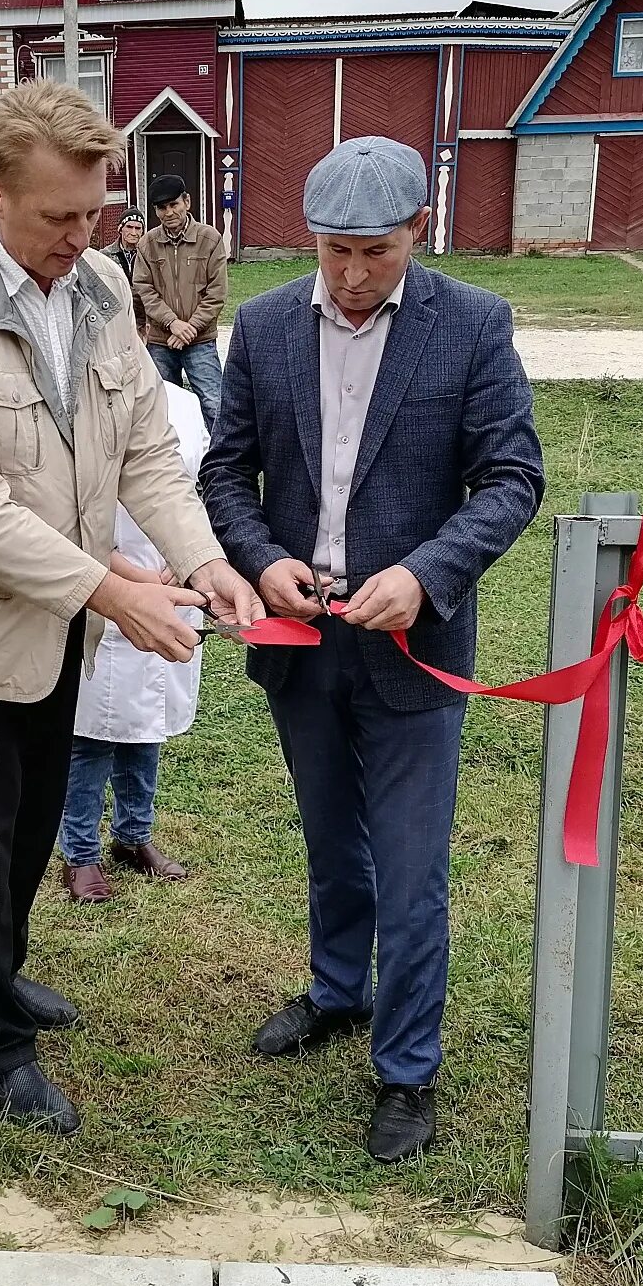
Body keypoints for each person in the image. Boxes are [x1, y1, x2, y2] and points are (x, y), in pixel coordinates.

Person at [0, 78, 263, 1135]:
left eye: (94, 213)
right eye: (58, 217)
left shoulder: (97, 285)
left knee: (30, 826)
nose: (81, 237)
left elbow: (146, 450)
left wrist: (204, 560)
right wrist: (112, 589)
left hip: (65, 627)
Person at [200, 136, 544, 1164]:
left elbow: (511, 478)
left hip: (412, 648)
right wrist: (262, 558)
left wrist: (426, 575)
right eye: (333, 252)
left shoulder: (471, 324)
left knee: (410, 867)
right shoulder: (265, 326)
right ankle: (338, 989)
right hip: (301, 644)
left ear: (417, 230)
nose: (351, 277)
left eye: (375, 253)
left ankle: (406, 1069)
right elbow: (226, 473)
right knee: (329, 838)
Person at [56, 378, 206, 903]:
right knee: (92, 735)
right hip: (103, 585)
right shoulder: (74, 400)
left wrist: (187, 563)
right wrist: (136, 581)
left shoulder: (183, 403)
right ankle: (80, 853)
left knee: (146, 727)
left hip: (173, 585)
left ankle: (133, 836)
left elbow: (197, 492)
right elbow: (70, 516)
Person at [131, 174, 227, 430]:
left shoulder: (210, 239)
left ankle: (221, 454)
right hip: (161, 341)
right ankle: (175, 454)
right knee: (163, 406)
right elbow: (143, 289)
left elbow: (216, 292)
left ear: (187, 202)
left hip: (200, 340)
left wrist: (190, 327)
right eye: (162, 208)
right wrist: (172, 323)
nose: (169, 212)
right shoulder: (147, 244)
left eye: (174, 204)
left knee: (214, 403)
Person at [100, 210, 147, 334]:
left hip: (143, 320)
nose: (133, 232)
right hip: (116, 321)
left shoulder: (149, 255)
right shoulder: (105, 255)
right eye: (129, 227)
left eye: (138, 228)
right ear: (120, 229)